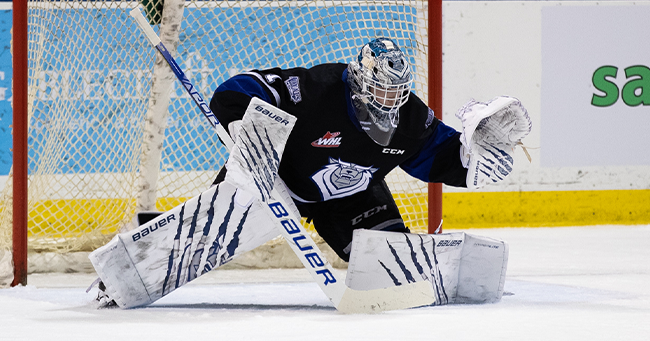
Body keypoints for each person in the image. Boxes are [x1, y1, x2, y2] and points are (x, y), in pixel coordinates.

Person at [210, 38, 489, 262]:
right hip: (273, 182)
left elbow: (439, 154)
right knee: (213, 235)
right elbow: (243, 87)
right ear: (361, 81)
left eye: (397, 91)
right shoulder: (320, 90)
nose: (390, 100)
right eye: (382, 90)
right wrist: (241, 123)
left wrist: (475, 160)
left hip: (351, 197)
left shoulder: (409, 117)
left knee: (389, 257)